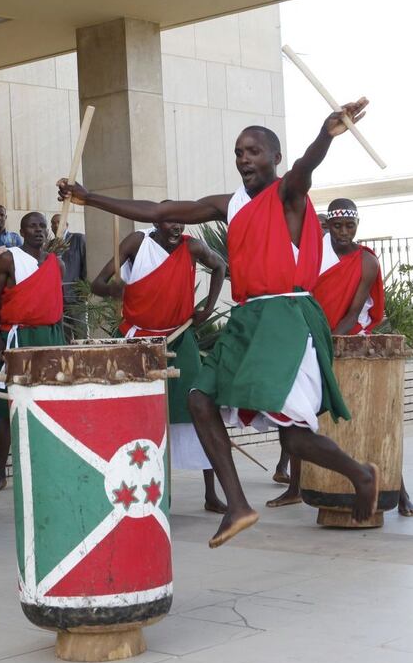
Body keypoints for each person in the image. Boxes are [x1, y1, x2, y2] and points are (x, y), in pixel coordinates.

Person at [58, 100, 381, 548]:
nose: (243, 159)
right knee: (199, 398)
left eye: (253, 151)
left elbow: (307, 166)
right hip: (249, 318)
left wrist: (326, 134)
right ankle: (237, 504)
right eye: (238, 152)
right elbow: (160, 210)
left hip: (285, 317)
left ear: (275, 157)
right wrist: (88, 197)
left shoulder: (288, 194)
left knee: (295, 438)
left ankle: (361, 475)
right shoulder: (229, 204)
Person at [269, 199, 413, 516]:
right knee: (301, 414)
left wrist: (329, 343)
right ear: (329, 226)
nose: (342, 232)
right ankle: (295, 487)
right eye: (337, 226)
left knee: (370, 418)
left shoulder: (367, 261)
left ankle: (401, 494)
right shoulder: (312, 254)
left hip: (347, 339)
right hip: (310, 337)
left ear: (357, 226)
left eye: (349, 226)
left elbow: (353, 312)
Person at [90, 221, 229, 513]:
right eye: (169, 220)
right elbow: (97, 283)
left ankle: (211, 493)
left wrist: (207, 309)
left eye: (180, 219)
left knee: (199, 407)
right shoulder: (137, 243)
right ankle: (148, 490)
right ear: (156, 221)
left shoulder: (192, 246)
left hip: (180, 336)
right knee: (136, 414)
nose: (176, 225)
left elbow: (220, 266)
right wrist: (115, 290)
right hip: (138, 340)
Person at [0, 212, 66, 494]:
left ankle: (50, 469)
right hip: (18, 338)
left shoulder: (56, 263)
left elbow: (56, 304)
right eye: (33, 226)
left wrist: (62, 342)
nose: (39, 230)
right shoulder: (9, 259)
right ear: (21, 231)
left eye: (42, 226)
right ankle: (0, 473)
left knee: (51, 403)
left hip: (50, 339)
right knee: (7, 405)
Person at [50, 213, 88, 341]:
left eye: (58, 222)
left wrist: (84, 289)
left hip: (75, 296)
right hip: (58, 299)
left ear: (66, 224)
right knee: (64, 336)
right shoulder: (50, 245)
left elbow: (86, 264)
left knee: (80, 334)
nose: (56, 225)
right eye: (53, 223)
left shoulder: (78, 239)